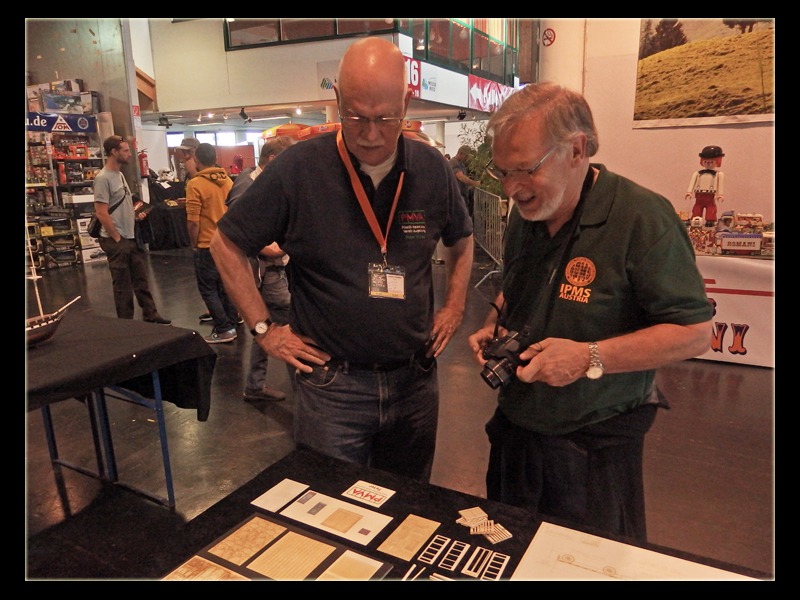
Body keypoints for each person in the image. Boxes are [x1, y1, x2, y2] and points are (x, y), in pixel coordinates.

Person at [211, 37, 474, 481]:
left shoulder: (431, 168)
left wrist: (455, 306)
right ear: (336, 100)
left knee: (410, 509)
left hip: (415, 381)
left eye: (386, 119)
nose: (370, 134)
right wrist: (263, 329)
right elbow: (225, 243)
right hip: (333, 386)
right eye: (355, 117)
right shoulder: (297, 170)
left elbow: (463, 238)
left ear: (407, 103)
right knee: (329, 511)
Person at [467, 82, 713, 543]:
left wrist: (588, 357)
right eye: (502, 173)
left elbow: (695, 332)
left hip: (594, 447)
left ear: (576, 149)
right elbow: (518, 285)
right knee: (509, 553)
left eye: (525, 170)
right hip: (517, 432)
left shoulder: (642, 218)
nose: (512, 189)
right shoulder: (526, 213)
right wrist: (492, 323)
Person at [226, 136, 296, 402]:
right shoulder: (247, 186)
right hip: (262, 270)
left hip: (269, 270)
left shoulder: (264, 182)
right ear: (273, 160)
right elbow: (230, 232)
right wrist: (272, 249)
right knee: (285, 321)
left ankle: (255, 386)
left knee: (266, 324)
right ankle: (303, 387)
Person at [93, 135, 171, 325]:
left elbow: (121, 204)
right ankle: (125, 324)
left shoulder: (119, 174)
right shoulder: (103, 178)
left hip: (130, 236)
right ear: (114, 152)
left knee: (140, 279)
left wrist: (136, 215)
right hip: (117, 240)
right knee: (122, 286)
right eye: (126, 150)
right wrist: (117, 238)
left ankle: (150, 314)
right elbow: (101, 213)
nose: (129, 154)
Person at [185, 143, 238, 343]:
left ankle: (224, 329)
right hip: (227, 242)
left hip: (207, 244)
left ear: (197, 160)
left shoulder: (195, 184)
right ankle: (232, 321)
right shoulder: (228, 182)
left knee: (208, 288)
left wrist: (194, 244)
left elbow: (192, 221)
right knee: (226, 286)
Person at [686, 145, 725, 226]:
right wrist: (689, 192)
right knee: (697, 207)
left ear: (717, 161)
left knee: (711, 208)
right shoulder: (697, 173)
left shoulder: (718, 174)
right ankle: (695, 219)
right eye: (706, 162)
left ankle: (710, 221)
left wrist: (720, 194)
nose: (708, 164)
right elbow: (692, 183)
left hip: (710, 195)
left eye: (711, 162)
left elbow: (719, 185)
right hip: (699, 195)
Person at [449, 144, 481, 218]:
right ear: (460, 153)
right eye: (466, 156)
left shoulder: (461, 164)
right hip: (457, 198)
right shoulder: (453, 162)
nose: (467, 158)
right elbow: (461, 177)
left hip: (463, 197)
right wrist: (475, 183)